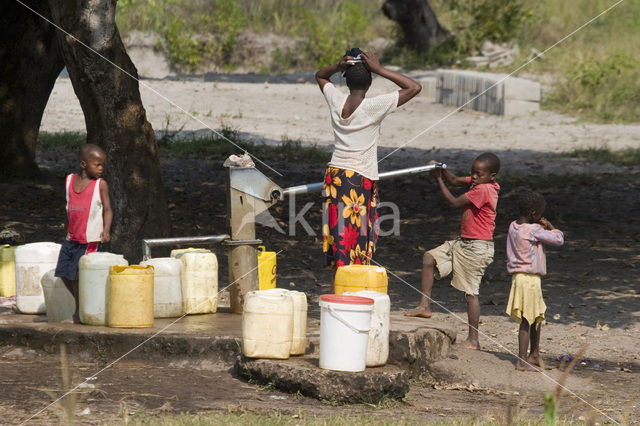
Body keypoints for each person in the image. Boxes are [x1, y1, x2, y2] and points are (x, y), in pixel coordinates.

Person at [315, 48, 421, 284]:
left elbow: (320, 76)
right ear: (370, 80)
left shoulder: (336, 99)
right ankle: (350, 293)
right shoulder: (373, 106)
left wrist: (337, 67)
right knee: (356, 239)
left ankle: (341, 288)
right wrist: (380, 68)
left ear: (346, 78)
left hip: (335, 176)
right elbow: (414, 87)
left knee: (339, 237)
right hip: (357, 179)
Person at [405, 153, 501, 350]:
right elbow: (456, 180)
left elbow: (453, 202)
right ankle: (424, 306)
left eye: (478, 174)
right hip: (463, 242)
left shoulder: (484, 189)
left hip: (477, 247)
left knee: (471, 293)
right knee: (429, 257)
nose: (473, 177)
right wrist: (441, 168)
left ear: (492, 176)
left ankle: (473, 340)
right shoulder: (479, 182)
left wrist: (438, 179)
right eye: (472, 172)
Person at [505, 191, 564, 371]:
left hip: (519, 278)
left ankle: (535, 354)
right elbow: (558, 239)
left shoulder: (513, 226)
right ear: (533, 213)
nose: (541, 216)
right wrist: (549, 225)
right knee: (526, 319)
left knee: (536, 316)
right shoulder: (534, 230)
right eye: (540, 213)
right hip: (529, 280)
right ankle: (522, 360)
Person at [54, 144, 112, 323]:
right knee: (63, 273)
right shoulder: (70, 180)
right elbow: (68, 207)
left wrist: (106, 230)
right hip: (71, 238)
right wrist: (66, 227)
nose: (101, 168)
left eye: (103, 164)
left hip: (90, 239)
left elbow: (108, 210)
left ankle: (79, 313)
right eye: (97, 164)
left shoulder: (100, 185)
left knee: (79, 275)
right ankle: (84, 301)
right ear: (84, 164)